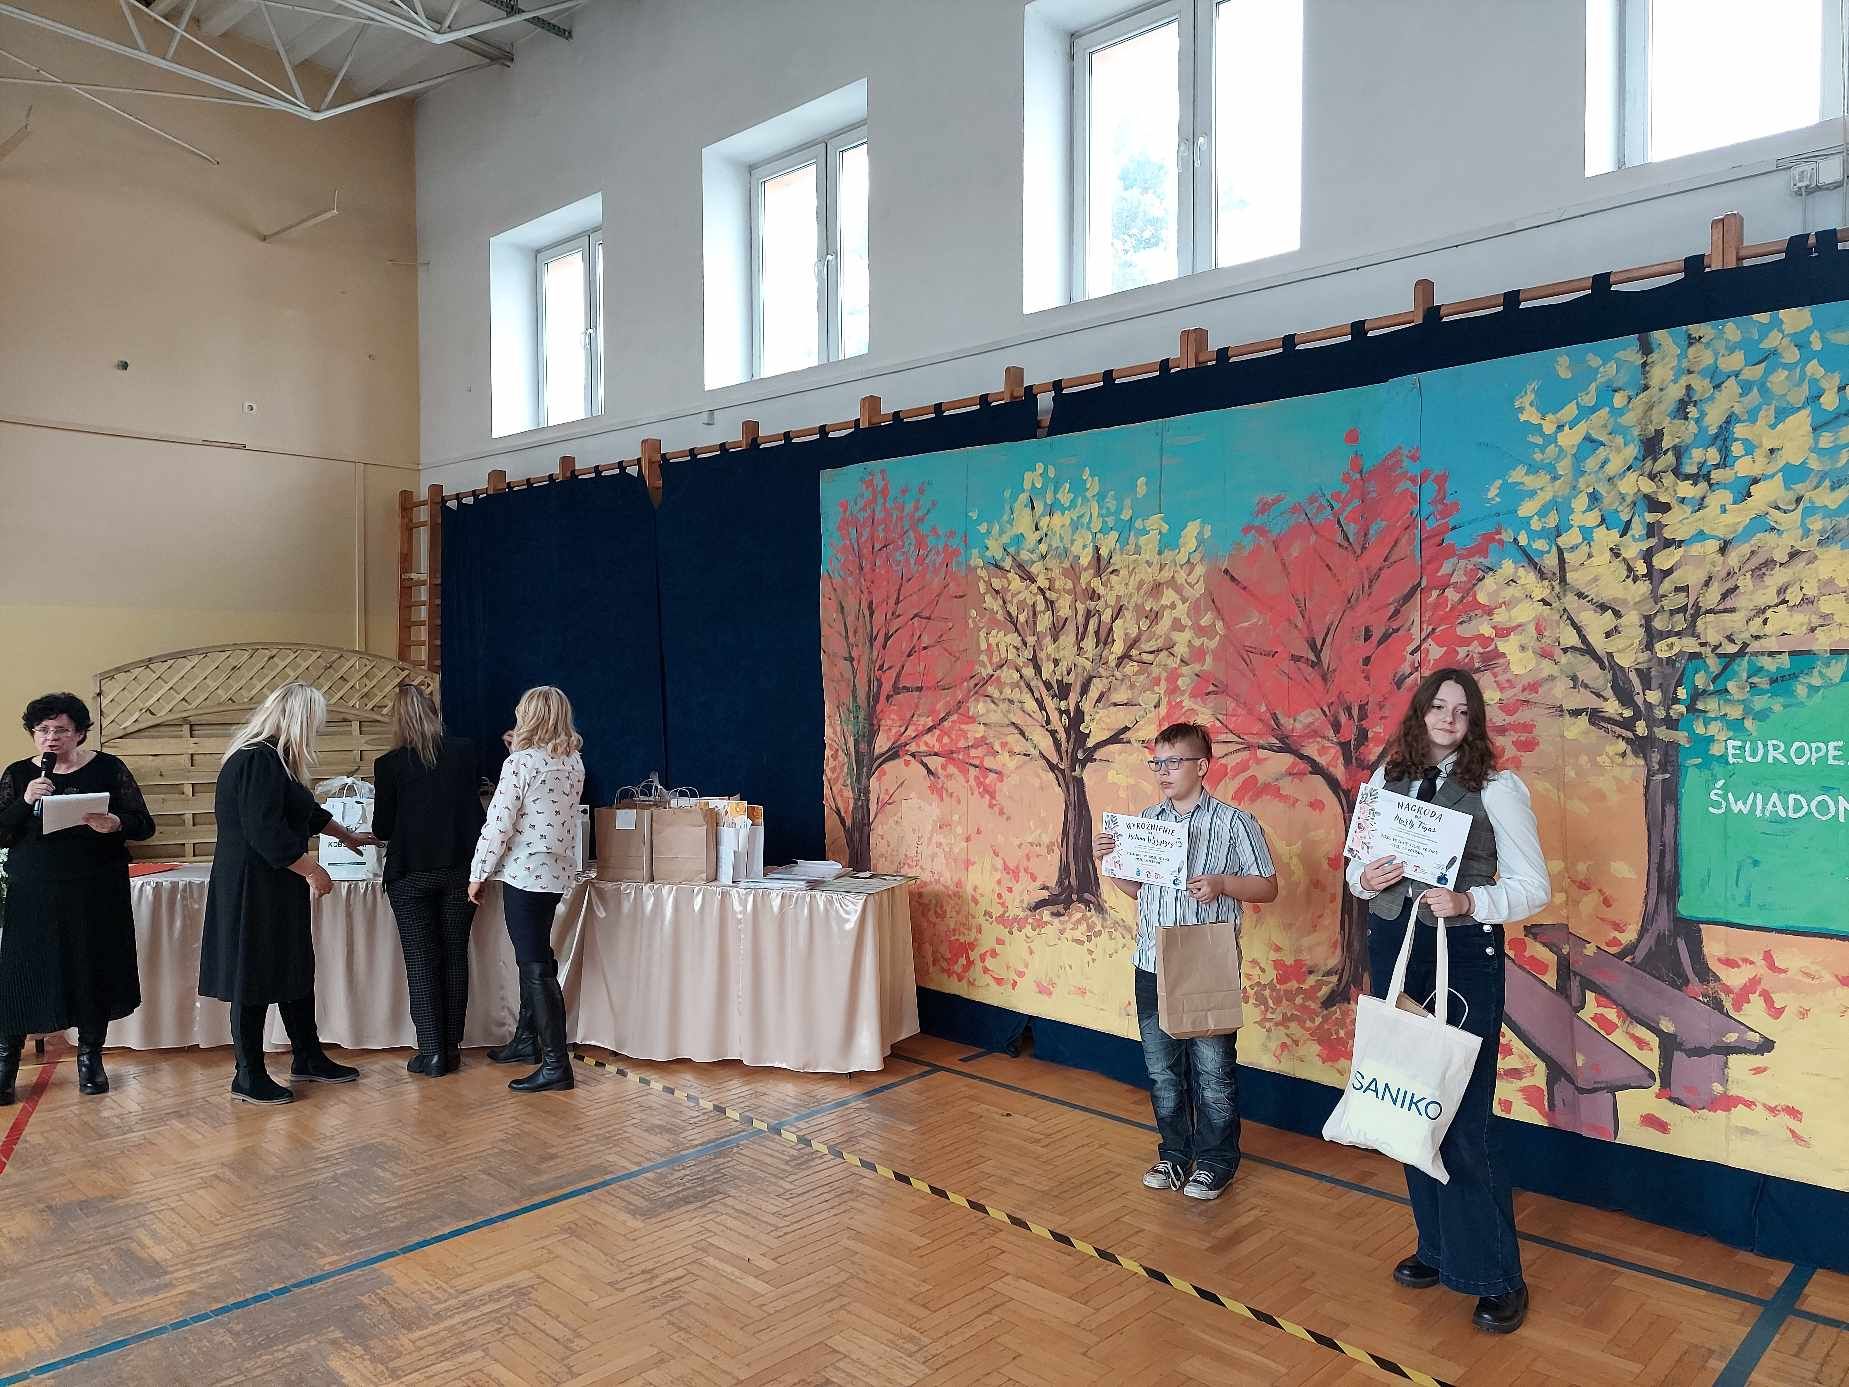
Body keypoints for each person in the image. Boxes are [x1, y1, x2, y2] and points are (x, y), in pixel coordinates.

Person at [1344, 667, 1550, 1335]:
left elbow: (1533, 886)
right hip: (1394, 946)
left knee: (1462, 1117)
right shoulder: (1387, 778)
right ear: (1420, 711)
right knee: (1409, 1101)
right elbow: (1354, 871)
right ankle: (1436, 1248)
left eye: (1462, 711)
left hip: (1461, 954)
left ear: (1474, 721)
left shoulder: (1497, 787)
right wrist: (1364, 875)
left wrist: (1469, 900)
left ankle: (1496, 1275)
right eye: (1438, 706)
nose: (1449, 718)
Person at [1094, 722, 1278, 1202]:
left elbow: (1267, 886)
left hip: (1204, 960)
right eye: (1157, 762)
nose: (1163, 771)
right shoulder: (1146, 821)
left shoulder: (1235, 823)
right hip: (1151, 960)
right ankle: (1174, 1154)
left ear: (1202, 766)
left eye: (1174, 762)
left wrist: (1222, 884)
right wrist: (1109, 863)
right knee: (1162, 1071)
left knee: (1213, 1070)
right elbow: (1138, 890)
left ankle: (1216, 1161)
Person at [199, 682, 378, 1105]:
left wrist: (347, 835)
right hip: (252, 887)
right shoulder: (256, 759)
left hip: (277, 884)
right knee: (252, 975)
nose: (318, 730)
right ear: (298, 719)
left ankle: (307, 1055)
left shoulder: (277, 761)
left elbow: (306, 812)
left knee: (293, 967)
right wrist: (312, 869)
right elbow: (264, 831)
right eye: (315, 721)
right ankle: (248, 1074)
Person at [0, 692, 155, 1103]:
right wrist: (26, 801)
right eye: (43, 730)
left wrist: (115, 822)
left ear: (80, 733)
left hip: (95, 888)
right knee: (23, 973)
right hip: (34, 889)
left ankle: (90, 1058)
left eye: (61, 730)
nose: (51, 737)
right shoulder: (19, 774)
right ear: (33, 734)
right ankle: (6, 1064)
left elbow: (144, 824)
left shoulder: (108, 768)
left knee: (92, 969)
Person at [469, 686, 584, 1094]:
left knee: (534, 964)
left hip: (525, 873)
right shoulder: (573, 761)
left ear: (528, 717)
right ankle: (526, 1040)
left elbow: (499, 821)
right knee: (538, 957)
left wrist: (478, 872)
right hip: (555, 872)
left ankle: (556, 1064)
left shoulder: (521, 763)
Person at [373, 683, 484, 1078]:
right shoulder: (465, 752)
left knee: (421, 960)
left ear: (397, 721)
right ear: (435, 713)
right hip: (460, 870)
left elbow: (383, 828)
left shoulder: (389, 765)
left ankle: (432, 1052)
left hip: (410, 873)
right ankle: (452, 1048)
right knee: (454, 955)